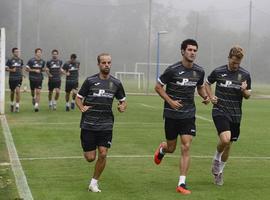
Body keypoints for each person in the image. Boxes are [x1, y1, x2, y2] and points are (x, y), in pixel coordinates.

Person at [153, 39, 209, 195]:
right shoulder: (172, 70)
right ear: (183, 51)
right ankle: (163, 149)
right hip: (171, 115)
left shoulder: (199, 71)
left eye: (195, 50)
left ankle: (182, 183)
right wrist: (170, 101)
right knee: (171, 147)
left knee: (186, 146)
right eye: (190, 50)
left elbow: (199, 87)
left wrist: (204, 96)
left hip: (188, 114)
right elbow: (158, 87)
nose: (192, 53)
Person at [75, 53, 127, 193]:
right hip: (89, 124)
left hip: (106, 124)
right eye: (103, 63)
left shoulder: (116, 83)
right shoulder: (90, 81)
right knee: (90, 158)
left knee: (103, 154)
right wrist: (81, 107)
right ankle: (88, 152)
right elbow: (78, 98)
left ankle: (94, 183)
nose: (106, 65)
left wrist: (122, 106)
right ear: (98, 64)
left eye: (109, 62)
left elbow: (122, 100)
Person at [205, 45, 251, 186]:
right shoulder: (219, 71)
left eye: (238, 62)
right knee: (225, 140)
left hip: (236, 114)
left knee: (229, 145)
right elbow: (207, 83)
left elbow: (248, 95)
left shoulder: (245, 74)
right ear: (229, 58)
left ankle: (219, 173)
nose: (236, 65)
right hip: (220, 110)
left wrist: (244, 90)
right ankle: (216, 159)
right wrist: (211, 96)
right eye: (234, 62)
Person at [5, 47, 24, 112]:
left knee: (18, 91)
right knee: (12, 92)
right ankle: (12, 103)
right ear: (13, 52)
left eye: (18, 51)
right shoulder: (10, 60)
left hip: (18, 78)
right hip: (12, 78)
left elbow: (21, 68)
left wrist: (22, 74)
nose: (17, 53)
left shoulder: (20, 60)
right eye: (16, 52)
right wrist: (12, 70)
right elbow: (6, 69)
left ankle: (17, 106)